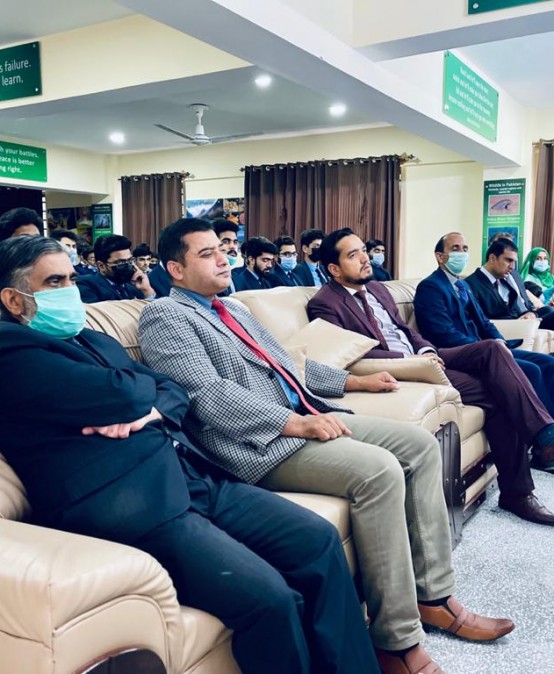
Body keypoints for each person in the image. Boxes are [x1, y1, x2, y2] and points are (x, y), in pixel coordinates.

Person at [138, 218, 514, 674]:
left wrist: (356, 381)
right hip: (258, 443)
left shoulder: (232, 309)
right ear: (175, 270)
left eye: (221, 249)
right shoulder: (165, 315)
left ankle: (434, 597)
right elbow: (205, 395)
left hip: (304, 414)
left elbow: (289, 366)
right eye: (206, 254)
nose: (222, 258)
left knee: (418, 443)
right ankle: (396, 641)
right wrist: (295, 423)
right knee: (379, 471)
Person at [0, 234, 379, 674]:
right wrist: (141, 395)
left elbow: (171, 388)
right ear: (13, 299)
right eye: (54, 282)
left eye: (71, 279)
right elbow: (126, 392)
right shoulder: (11, 351)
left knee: (317, 540)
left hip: (192, 473)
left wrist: (149, 407)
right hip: (130, 506)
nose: (71, 290)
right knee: (270, 599)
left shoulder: (91, 339)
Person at [307, 228, 554, 517]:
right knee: (499, 392)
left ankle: (545, 437)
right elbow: (352, 354)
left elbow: (405, 330)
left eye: (363, 250)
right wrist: (410, 360)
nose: (365, 258)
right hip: (400, 369)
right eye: (353, 255)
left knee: (492, 349)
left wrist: (425, 350)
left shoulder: (377, 289)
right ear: (334, 269)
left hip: (425, 356)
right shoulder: (325, 303)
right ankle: (519, 491)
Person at [413, 232, 554, 421]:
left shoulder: (463, 285)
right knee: (532, 370)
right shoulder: (430, 287)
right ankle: (545, 432)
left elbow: (484, 322)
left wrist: (500, 342)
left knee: (548, 363)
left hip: (487, 350)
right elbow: (442, 333)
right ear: (440, 256)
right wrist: (482, 347)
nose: (462, 253)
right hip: (462, 353)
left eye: (465, 249)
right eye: (455, 248)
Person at [465, 238, 554, 330]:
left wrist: (532, 314)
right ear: (492, 258)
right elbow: (480, 321)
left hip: (523, 320)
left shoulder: (505, 277)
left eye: (514, 262)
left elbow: (523, 303)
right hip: (506, 327)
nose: (512, 267)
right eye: (509, 260)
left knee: (548, 309)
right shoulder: (471, 284)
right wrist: (519, 321)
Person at [77, 234, 156, 303]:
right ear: (101, 266)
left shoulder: (133, 286)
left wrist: (147, 290)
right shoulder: (87, 285)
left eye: (129, 260)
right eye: (120, 262)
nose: (127, 265)